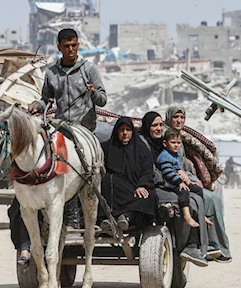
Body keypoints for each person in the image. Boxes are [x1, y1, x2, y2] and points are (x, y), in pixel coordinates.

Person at [13, 27, 108, 265]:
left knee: (84, 164)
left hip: (85, 128)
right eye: (66, 46)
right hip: (61, 126)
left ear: (78, 46)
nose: (71, 50)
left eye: (74, 45)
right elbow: (47, 99)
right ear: (59, 48)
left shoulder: (89, 69)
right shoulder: (52, 72)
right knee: (50, 158)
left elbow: (103, 99)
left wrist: (93, 92)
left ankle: (80, 209)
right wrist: (37, 103)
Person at [140, 111, 216, 266]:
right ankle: (186, 245)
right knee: (183, 201)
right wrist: (176, 180)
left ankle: (199, 244)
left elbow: (176, 167)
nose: (159, 128)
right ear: (147, 127)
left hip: (168, 184)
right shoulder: (144, 145)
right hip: (156, 186)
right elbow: (153, 172)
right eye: (155, 125)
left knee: (196, 195)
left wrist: (184, 176)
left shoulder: (165, 146)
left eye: (161, 125)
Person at [165, 105, 232, 262]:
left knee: (214, 199)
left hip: (185, 180)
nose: (179, 120)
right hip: (175, 182)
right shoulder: (168, 137)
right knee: (210, 200)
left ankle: (216, 246)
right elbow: (171, 165)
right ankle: (209, 245)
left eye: (182, 117)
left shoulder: (179, 137)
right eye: (176, 117)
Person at [100, 117, 157, 232]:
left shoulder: (142, 149)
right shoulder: (106, 148)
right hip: (116, 189)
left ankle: (127, 216)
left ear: (132, 131)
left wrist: (142, 185)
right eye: (122, 130)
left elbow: (147, 171)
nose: (125, 133)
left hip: (135, 188)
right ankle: (111, 218)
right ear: (117, 131)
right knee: (107, 180)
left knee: (148, 198)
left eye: (128, 130)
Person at [157, 128, 203, 229]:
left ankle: (201, 214)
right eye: (173, 142)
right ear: (165, 143)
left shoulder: (175, 155)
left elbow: (177, 169)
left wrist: (189, 181)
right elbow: (168, 173)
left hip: (178, 180)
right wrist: (180, 182)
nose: (176, 145)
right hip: (170, 183)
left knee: (198, 189)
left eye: (178, 143)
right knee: (184, 191)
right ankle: (186, 215)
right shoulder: (164, 156)